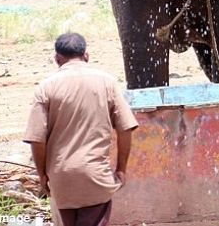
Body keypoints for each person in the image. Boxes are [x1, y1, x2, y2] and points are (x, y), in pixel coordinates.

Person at [25, 32, 138, 226]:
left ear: (57, 59)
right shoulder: (107, 83)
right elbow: (125, 128)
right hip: (95, 176)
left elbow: (37, 140)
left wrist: (42, 174)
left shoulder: (45, 88)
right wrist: (121, 168)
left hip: (61, 179)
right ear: (86, 56)